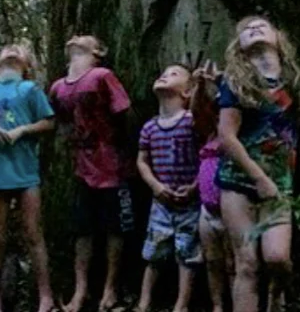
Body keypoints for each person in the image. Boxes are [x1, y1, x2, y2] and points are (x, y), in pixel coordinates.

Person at [217, 17, 300, 312]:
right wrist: (259, 178)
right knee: (247, 263)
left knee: (277, 259)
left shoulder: (295, 79)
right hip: (238, 181)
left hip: (280, 181)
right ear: (239, 46)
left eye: (261, 25)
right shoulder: (236, 82)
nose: (254, 28)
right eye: (246, 30)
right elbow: (226, 136)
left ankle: (276, 295)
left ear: (278, 37)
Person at [0, 43, 57, 312]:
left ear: (26, 65)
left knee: (33, 234)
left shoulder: (30, 89)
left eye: (19, 50)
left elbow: (49, 121)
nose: (13, 50)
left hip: (26, 173)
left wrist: (22, 130)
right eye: (7, 49)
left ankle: (46, 296)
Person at [50, 35, 134, 312]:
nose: (75, 37)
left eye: (84, 38)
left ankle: (110, 288)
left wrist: (128, 154)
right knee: (82, 230)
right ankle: (81, 290)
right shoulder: (58, 87)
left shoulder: (102, 76)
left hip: (112, 167)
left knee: (115, 228)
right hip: (82, 170)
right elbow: (60, 122)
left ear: (98, 51)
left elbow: (125, 115)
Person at [136, 64, 200, 312]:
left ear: (187, 92)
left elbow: (206, 155)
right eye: (163, 73)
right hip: (161, 202)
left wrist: (195, 187)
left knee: (187, 254)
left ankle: (181, 305)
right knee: (153, 253)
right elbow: (142, 161)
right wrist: (155, 186)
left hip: (190, 201)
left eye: (174, 74)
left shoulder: (192, 121)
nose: (164, 76)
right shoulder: (150, 127)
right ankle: (144, 303)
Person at [191, 62, 231, 312]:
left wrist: (222, 83)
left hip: (232, 209)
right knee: (212, 260)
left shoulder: (237, 138)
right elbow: (198, 113)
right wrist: (199, 86)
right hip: (207, 210)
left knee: (232, 262)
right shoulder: (209, 134)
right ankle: (217, 305)